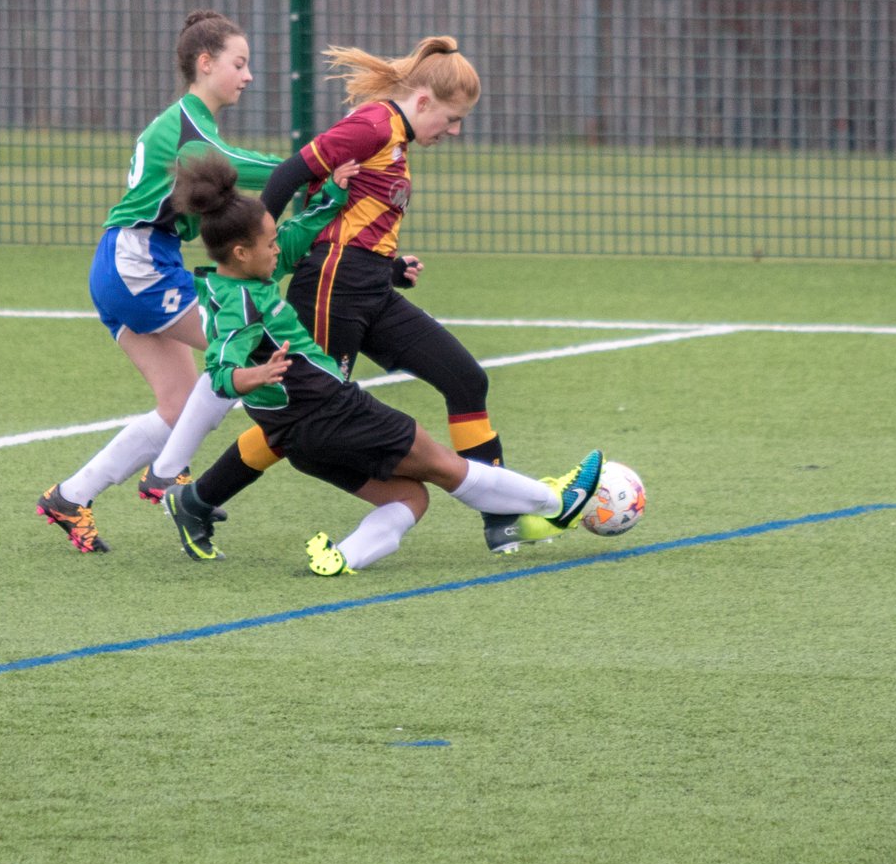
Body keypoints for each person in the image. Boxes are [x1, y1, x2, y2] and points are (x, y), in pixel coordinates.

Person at [148, 34, 538, 554]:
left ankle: (500, 514)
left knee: (466, 379)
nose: (455, 129)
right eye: (450, 117)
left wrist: (390, 266)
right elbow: (292, 173)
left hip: (367, 286)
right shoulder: (373, 124)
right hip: (333, 287)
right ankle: (197, 498)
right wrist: (253, 256)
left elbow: (355, 216)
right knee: (310, 414)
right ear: (423, 102)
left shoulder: (396, 137)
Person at [165, 151, 604, 574]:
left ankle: (342, 557)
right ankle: (557, 503)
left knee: (409, 498)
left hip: (296, 436)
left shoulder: (234, 280)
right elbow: (220, 372)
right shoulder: (238, 304)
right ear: (242, 253)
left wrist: (333, 197)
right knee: (445, 466)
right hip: (330, 412)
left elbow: (302, 229)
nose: (279, 248)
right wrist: (251, 376)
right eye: (270, 242)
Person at [35, 9, 289, 553]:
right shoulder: (192, 129)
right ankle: (167, 476)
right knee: (238, 353)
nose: (248, 76)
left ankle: (69, 497)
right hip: (139, 264)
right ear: (205, 63)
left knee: (177, 405)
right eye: (239, 64)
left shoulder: (191, 126)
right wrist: (310, 166)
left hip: (126, 262)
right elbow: (244, 168)